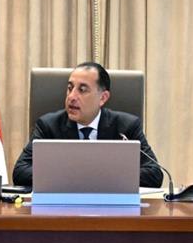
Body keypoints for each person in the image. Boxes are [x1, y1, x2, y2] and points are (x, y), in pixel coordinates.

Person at [12, 62, 163, 188]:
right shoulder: (49, 126)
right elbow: (20, 172)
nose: (72, 97)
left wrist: (95, 177)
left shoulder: (126, 127)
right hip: (63, 207)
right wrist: (77, 177)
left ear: (103, 98)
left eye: (82, 90)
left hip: (111, 207)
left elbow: (154, 174)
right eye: (70, 88)